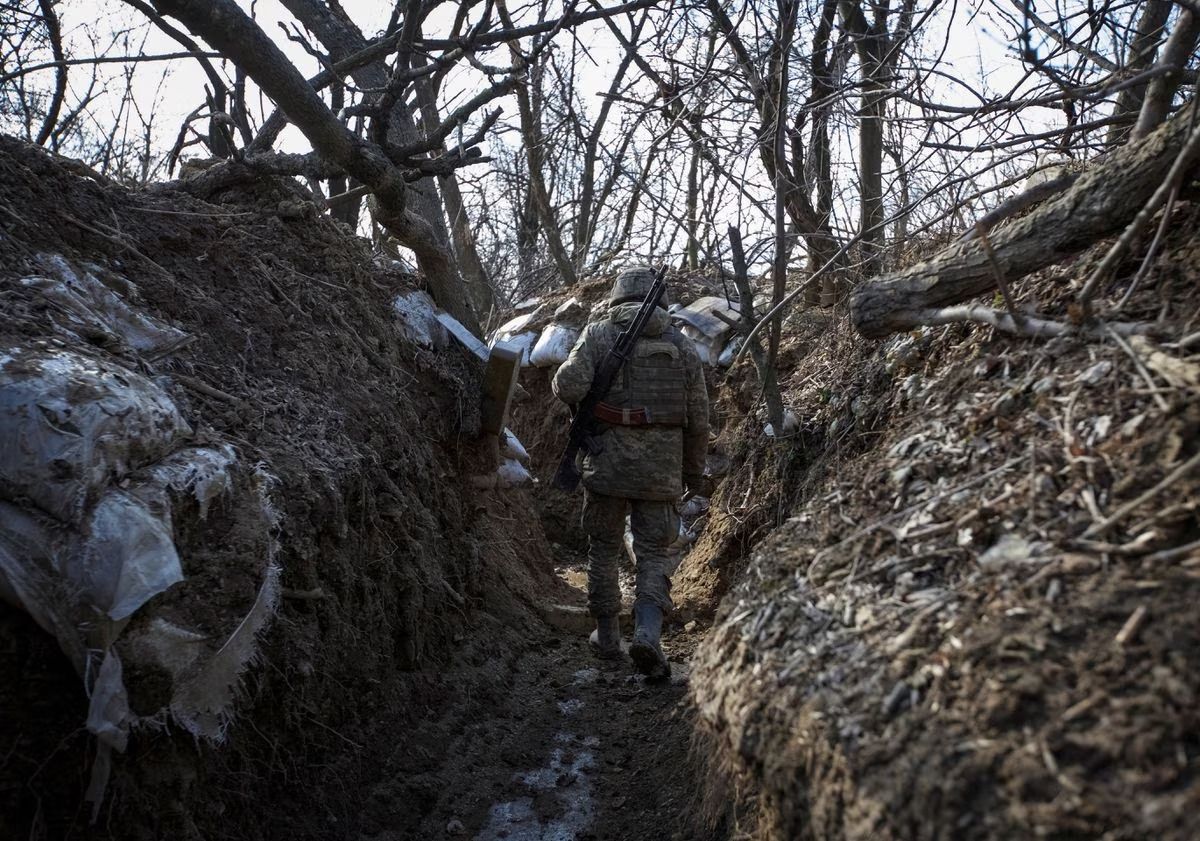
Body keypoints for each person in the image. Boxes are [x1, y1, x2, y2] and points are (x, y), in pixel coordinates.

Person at [551, 266, 709, 679]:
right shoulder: (683, 346)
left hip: (605, 463)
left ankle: (606, 638)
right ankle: (647, 635)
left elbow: (567, 386)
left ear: (618, 298)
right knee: (655, 553)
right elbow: (698, 420)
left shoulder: (599, 334)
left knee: (602, 549)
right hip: (661, 471)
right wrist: (693, 473)